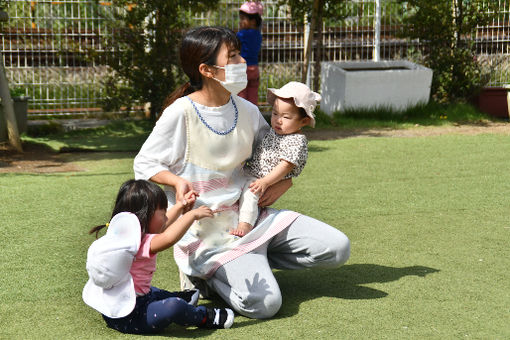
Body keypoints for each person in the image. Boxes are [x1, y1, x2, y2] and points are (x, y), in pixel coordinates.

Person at [134, 26, 350, 319]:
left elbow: (274, 151)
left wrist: (286, 181)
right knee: (265, 305)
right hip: (208, 233)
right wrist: (175, 180)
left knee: (337, 248)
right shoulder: (180, 113)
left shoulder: (246, 110)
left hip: (252, 217)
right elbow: (144, 163)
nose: (242, 62)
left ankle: (251, 259)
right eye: (233, 56)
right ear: (207, 70)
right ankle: (206, 278)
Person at [82, 179, 234, 334]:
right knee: (174, 307)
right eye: (162, 212)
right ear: (145, 216)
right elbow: (168, 237)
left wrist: (180, 206)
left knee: (152, 291)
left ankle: (177, 299)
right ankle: (203, 317)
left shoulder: (123, 237)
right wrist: (192, 215)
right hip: (131, 316)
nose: (165, 217)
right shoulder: (139, 244)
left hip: (118, 303)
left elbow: (162, 226)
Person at [230, 81, 321, 237]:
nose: (278, 120)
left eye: (286, 117)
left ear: (304, 121)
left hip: (263, 179)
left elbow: (285, 166)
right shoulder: (274, 132)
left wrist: (266, 182)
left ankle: (245, 226)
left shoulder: (296, 141)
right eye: (275, 113)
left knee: (250, 195)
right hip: (250, 171)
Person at [237, 1, 263, 105]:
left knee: (241, 97)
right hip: (254, 69)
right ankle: (253, 118)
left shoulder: (241, 34)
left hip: (242, 68)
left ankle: (242, 119)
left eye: (243, 19)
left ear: (253, 21)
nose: (240, 22)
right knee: (253, 96)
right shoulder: (258, 35)